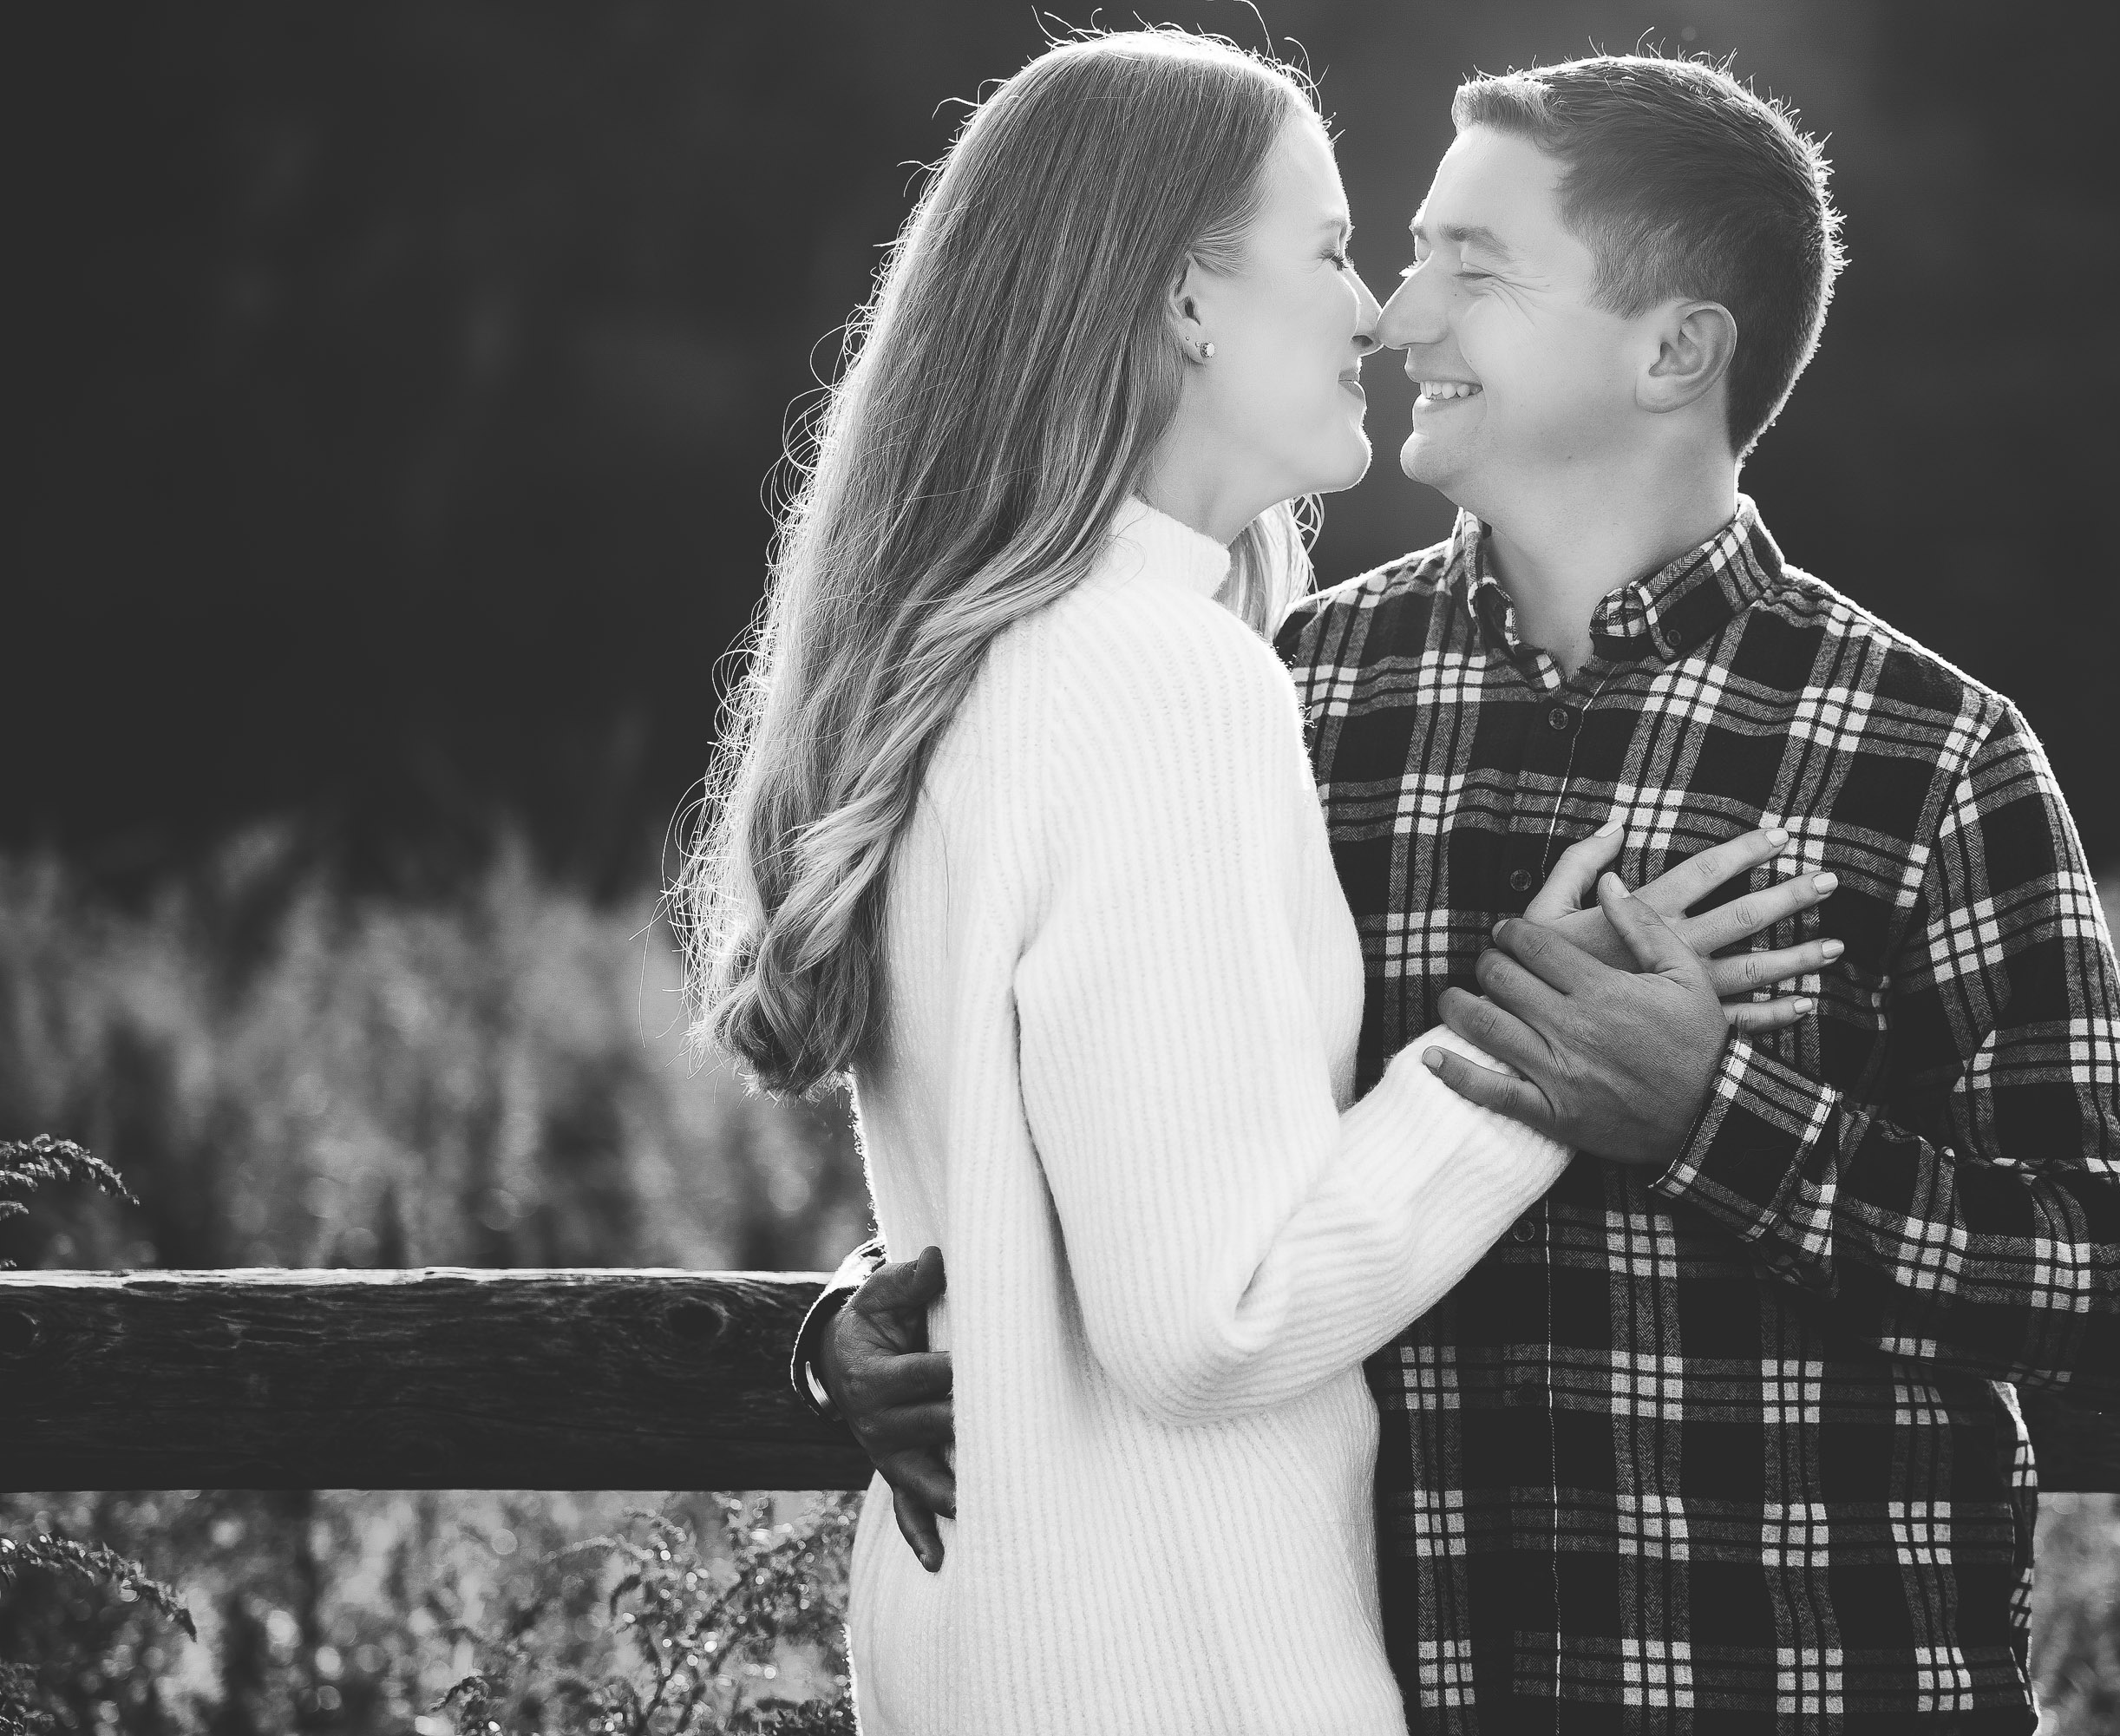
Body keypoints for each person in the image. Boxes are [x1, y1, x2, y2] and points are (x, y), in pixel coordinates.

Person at [812, 50, 2120, 1733]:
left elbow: (2112, 1284)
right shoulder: (1286, 688)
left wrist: (1712, 1111)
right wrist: (872, 1323)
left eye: (1474, 263)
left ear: (1674, 349)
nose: (1397, 314)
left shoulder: (1924, 754)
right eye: (1389, 252)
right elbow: (1143, 1150)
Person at [689, 31, 1829, 1735]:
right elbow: (1209, 1323)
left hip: (975, 1648)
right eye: (1328, 247)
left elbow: (1053, 1199)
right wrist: (1528, 1070)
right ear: (1185, 301)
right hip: (1182, 1673)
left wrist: (853, 1308)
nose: (1374, 310)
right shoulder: (1168, 681)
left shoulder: (983, 665)